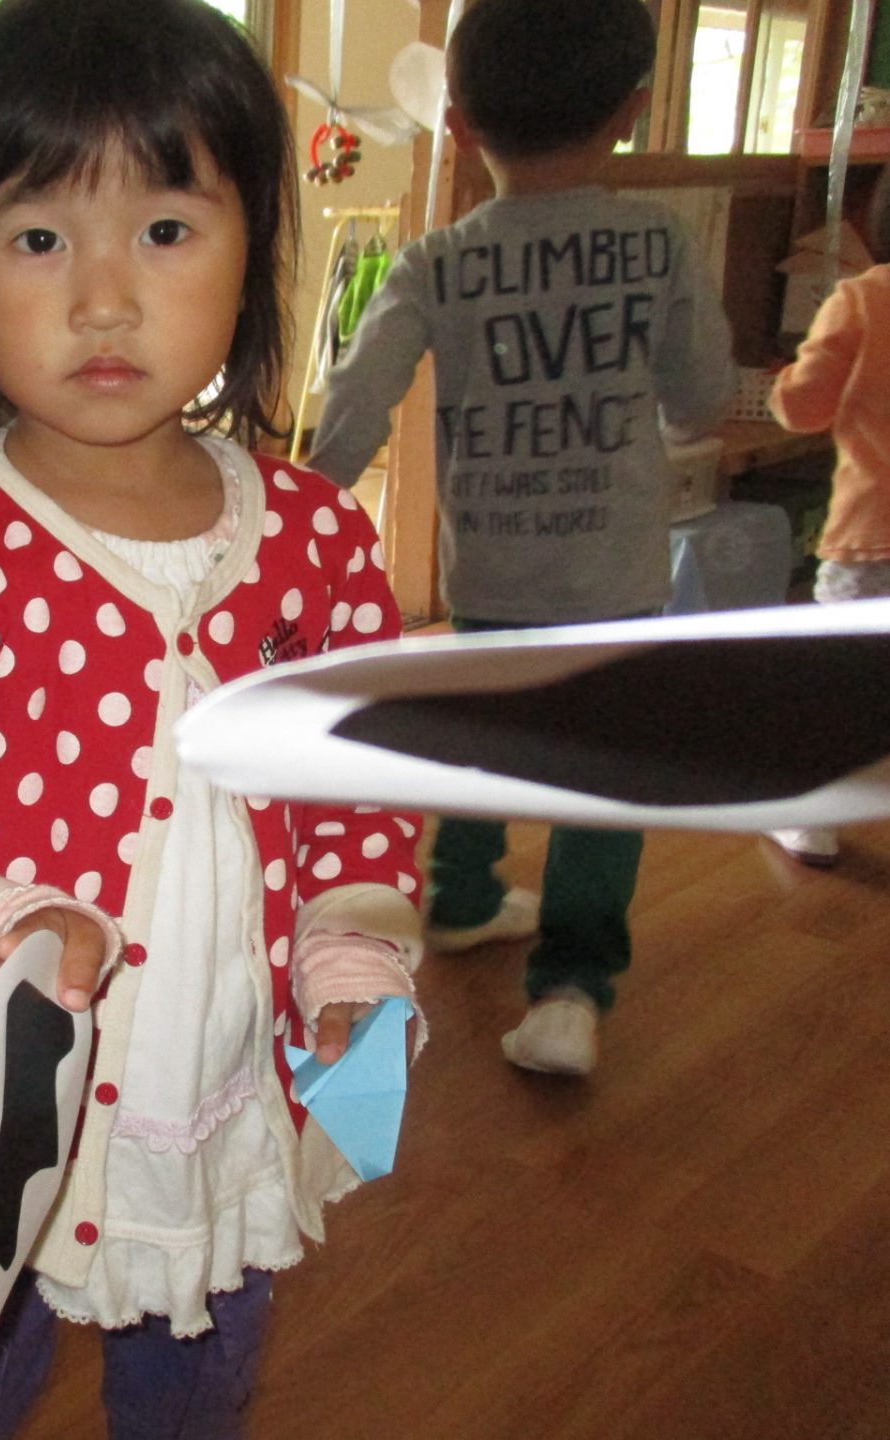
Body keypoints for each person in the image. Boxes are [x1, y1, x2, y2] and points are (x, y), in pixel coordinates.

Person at [0, 2, 426, 1435]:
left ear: (254, 251)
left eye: (166, 229)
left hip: (221, 1106)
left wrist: (350, 953)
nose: (103, 300)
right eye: (37, 237)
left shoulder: (318, 540)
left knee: (199, 1392)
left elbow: (359, 785)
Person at [309, 0, 736, 1079]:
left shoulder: (436, 261)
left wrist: (306, 511)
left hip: (491, 570)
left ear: (456, 125)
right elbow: (701, 400)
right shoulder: (659, 242)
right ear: (631, 113)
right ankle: (570, 991)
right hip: (615, 577)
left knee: (484, 735)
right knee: (601, 781)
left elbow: (355, 401)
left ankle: (459, 896)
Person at [762, 176, 890, 868]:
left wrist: (784, 379)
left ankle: (810, 822)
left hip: (871, 534)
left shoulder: (862, 299)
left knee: (834, 685)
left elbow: (804, 408)